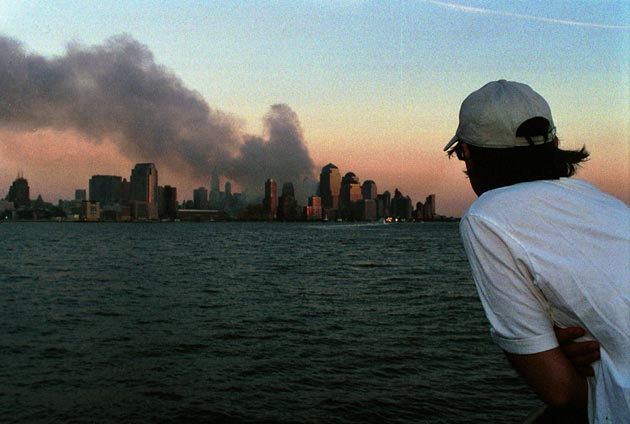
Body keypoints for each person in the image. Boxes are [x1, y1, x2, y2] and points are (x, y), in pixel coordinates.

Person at [444, 80, 630, 423]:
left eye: (460, 155)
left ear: (468, 154)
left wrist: (546, 353)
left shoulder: (487, 216)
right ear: (555, 144)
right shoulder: (605, 203)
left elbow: (559, 391)